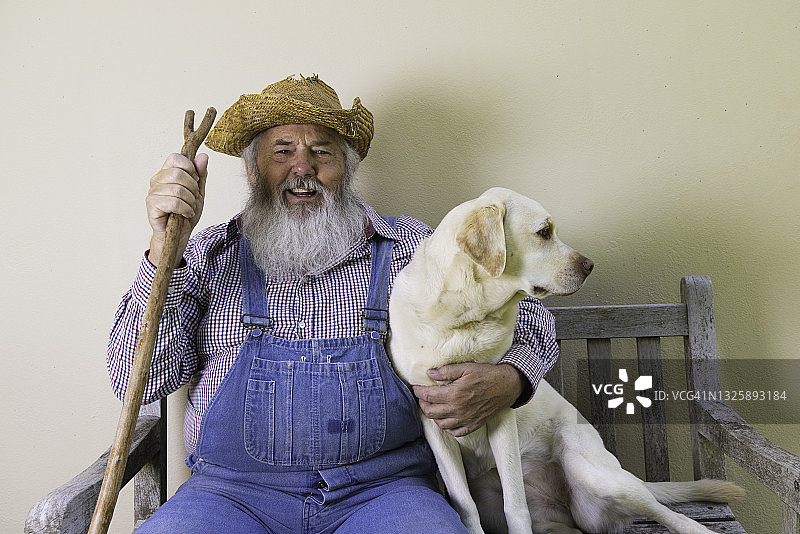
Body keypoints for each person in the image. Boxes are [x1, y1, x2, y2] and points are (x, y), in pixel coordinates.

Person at [107, 74, 559, 533]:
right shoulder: (204, 255)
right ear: (252, 168)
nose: (302, 168)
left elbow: (532, 319)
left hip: (385, 493)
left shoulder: (410, 248)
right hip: (230, 497)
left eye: (321, 151)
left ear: (347, 166)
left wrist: (511, 378)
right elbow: (133, 380)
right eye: (282, 151)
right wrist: (165, 250)